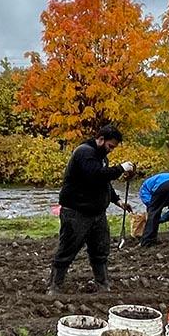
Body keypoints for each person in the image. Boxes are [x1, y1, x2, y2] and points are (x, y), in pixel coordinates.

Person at [47, 124, 135, 295]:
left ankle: (102, 284)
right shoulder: (84, 152)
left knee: (100, 250)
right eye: (110, 146)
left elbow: (104, 183)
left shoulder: (102, 157)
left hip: (97, 213)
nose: (110, 150)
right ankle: (55, 286)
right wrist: (120, 169)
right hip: (76, 212)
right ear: (101, 139)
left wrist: (117, 201)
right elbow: (95, 176)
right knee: (67, 249)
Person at [137, 172, 169, 247]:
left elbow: (151, 205)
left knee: (153, 212)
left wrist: (154, 218)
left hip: (163, 185)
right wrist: (164, 218)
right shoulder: (154, 181)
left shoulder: (144, 188)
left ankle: (147, 242)